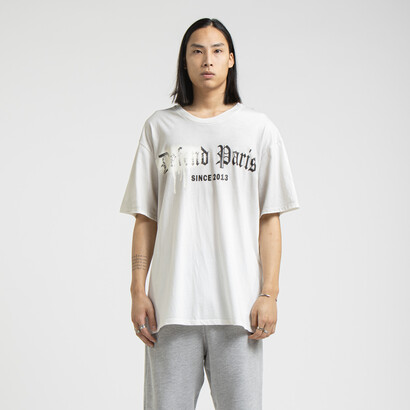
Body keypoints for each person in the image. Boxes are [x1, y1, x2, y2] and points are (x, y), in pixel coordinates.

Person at [119, 17, 300, 410]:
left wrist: (269, 293)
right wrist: (137, 291)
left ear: (231, 59)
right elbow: (145, 217)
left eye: (217, 50)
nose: (207, 60)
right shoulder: (160, 127)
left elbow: (269, 219)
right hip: (170, 308)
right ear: (184, 61)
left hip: (239, 309)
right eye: (197, 51)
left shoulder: (258, 129)